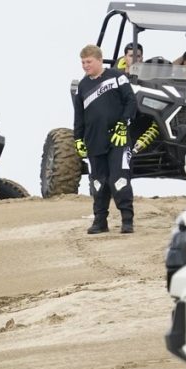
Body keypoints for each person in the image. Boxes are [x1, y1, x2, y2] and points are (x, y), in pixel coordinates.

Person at [73, 44, 137, 234]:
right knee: (98, 182)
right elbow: (79, 116)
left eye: (89, 62)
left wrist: (123, 124)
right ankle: (100, 221)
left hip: (119, 139)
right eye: (83, 62)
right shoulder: (82, 86)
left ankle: (127, 220)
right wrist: (78, 139)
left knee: (119, 180)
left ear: (100, 60)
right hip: (94, 141)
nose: (85, 65)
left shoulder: (118, 76)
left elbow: (131, 101)